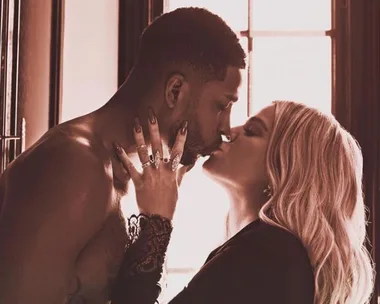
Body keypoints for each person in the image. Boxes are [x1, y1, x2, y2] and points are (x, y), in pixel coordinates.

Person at [0, 7, 246, 304]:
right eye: (222, 106)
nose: (226, 128)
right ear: (175, 90)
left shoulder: (130, 180)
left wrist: (156, 224)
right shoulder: (74, 166)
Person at [115, 101, 376, 304]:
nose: (230, 132)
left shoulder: (270, 253)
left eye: (252, 131)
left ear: (285, 168)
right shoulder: (270, 252)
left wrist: (156, 221)